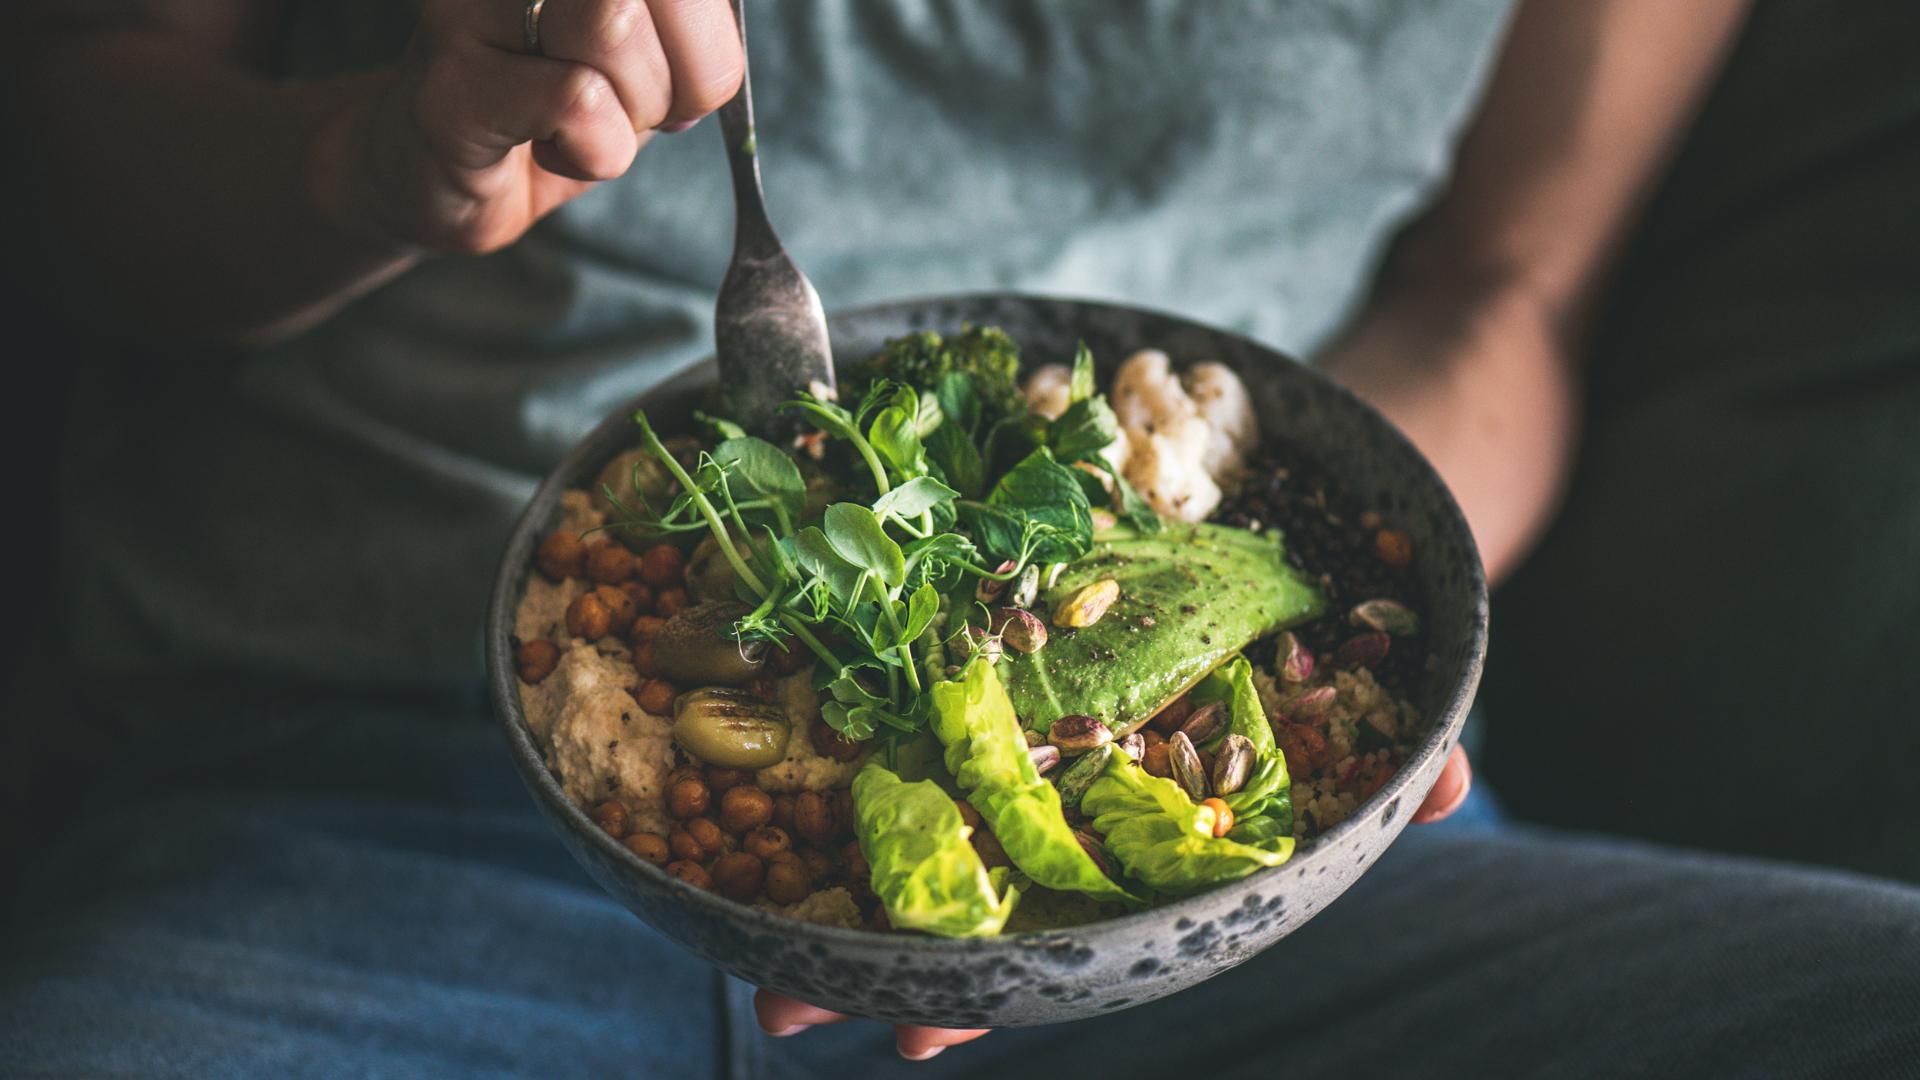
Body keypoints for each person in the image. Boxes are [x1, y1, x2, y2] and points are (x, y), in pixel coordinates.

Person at [3, 0, 1917, 1074]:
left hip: (1240, 907)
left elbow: (1513, 285)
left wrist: (1307, 686)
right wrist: (379, 156)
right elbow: (75, 166)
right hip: (364, 789)